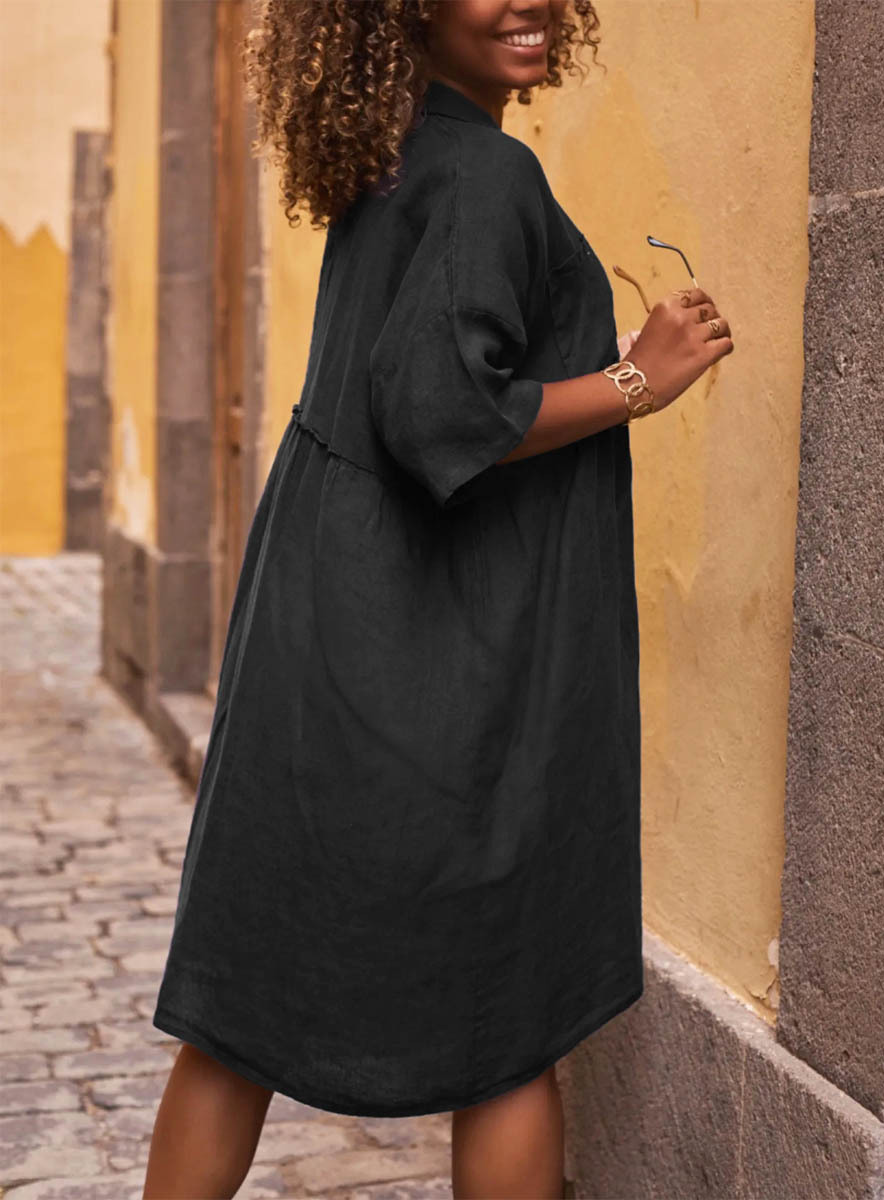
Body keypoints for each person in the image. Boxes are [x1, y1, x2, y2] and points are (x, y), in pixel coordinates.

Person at [142, 1, 734, 1196]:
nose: (527, 2)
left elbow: (423, 378)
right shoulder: (485, 173)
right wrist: (637, 377)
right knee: (507, 1023)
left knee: (239, 1009)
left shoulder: (397, 153)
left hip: (322, 633)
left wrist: (588, 359)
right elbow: (438, 413)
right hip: (435, 655)